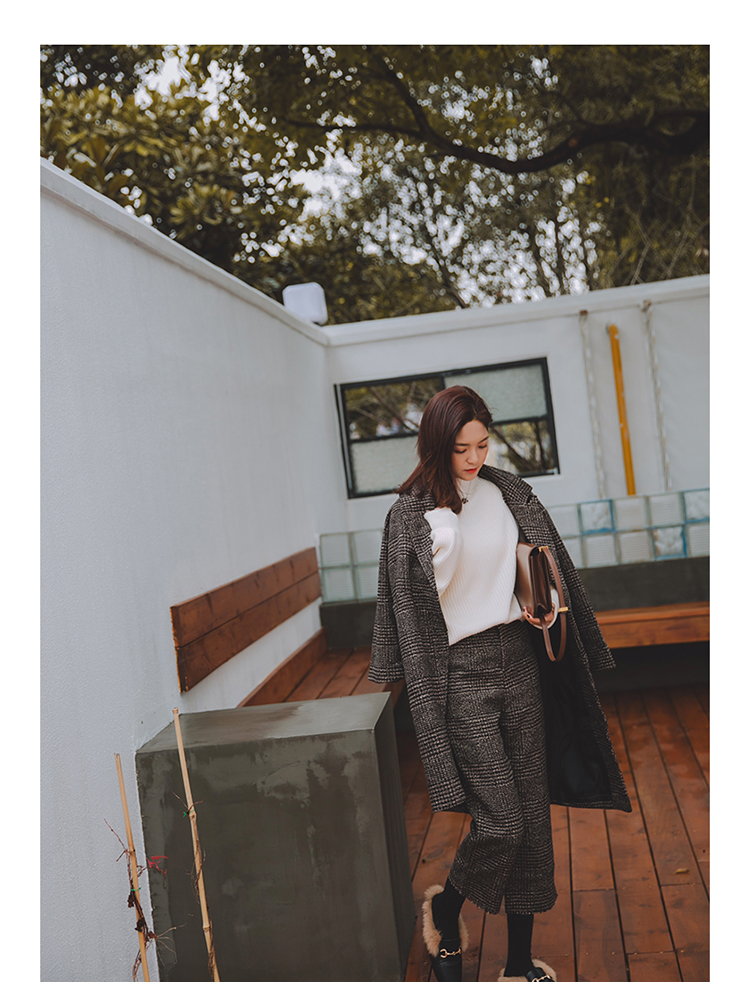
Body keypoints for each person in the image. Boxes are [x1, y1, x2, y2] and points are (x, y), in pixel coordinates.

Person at [368, 385, 631, 983]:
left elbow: (532, 567)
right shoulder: (409, 516)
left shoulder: (507, 492)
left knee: (531, 820)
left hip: (520, 659)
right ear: (436, 445)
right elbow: (406, 613)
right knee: (501, 821)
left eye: (483, 445)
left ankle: (517, 963)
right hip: (458, 675)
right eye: (461, 448)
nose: (474, 458)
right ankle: (447, 908)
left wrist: (540, 604)